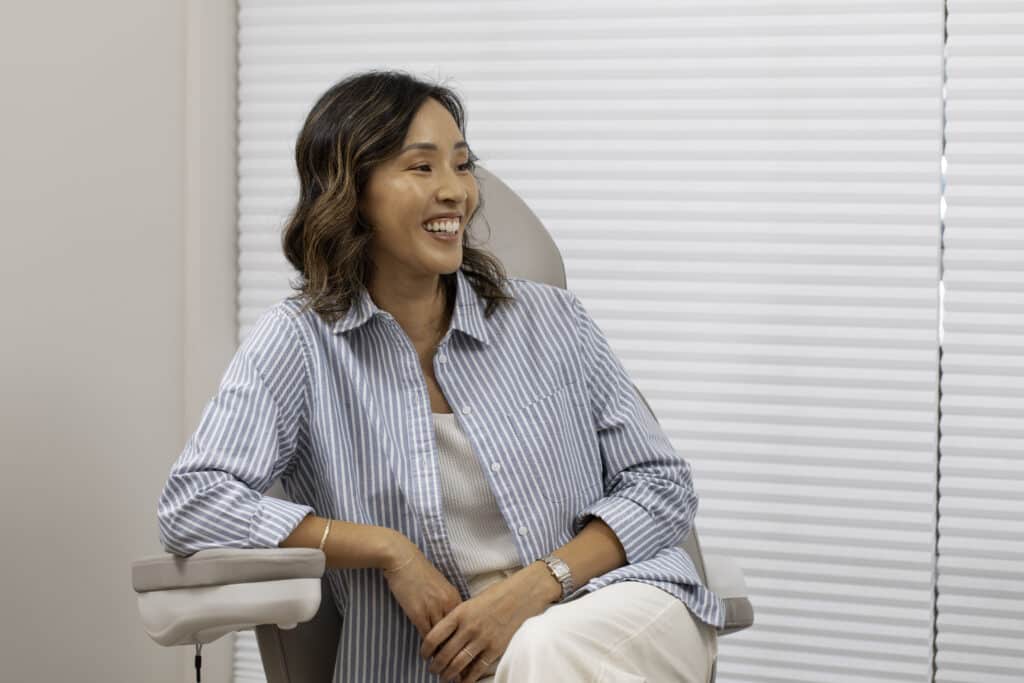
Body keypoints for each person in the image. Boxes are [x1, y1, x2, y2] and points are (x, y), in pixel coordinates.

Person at [157, 69, 722, 683]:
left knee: (543, 648)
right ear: (352, 192)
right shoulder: (300, 343)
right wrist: (387, 549)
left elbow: (661, 485)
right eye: (422, 167)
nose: (455, 191)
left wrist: (538, 586)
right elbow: (193, 503)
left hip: (614, 606)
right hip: (447, 664)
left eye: (462, 165)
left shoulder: (553, 319)